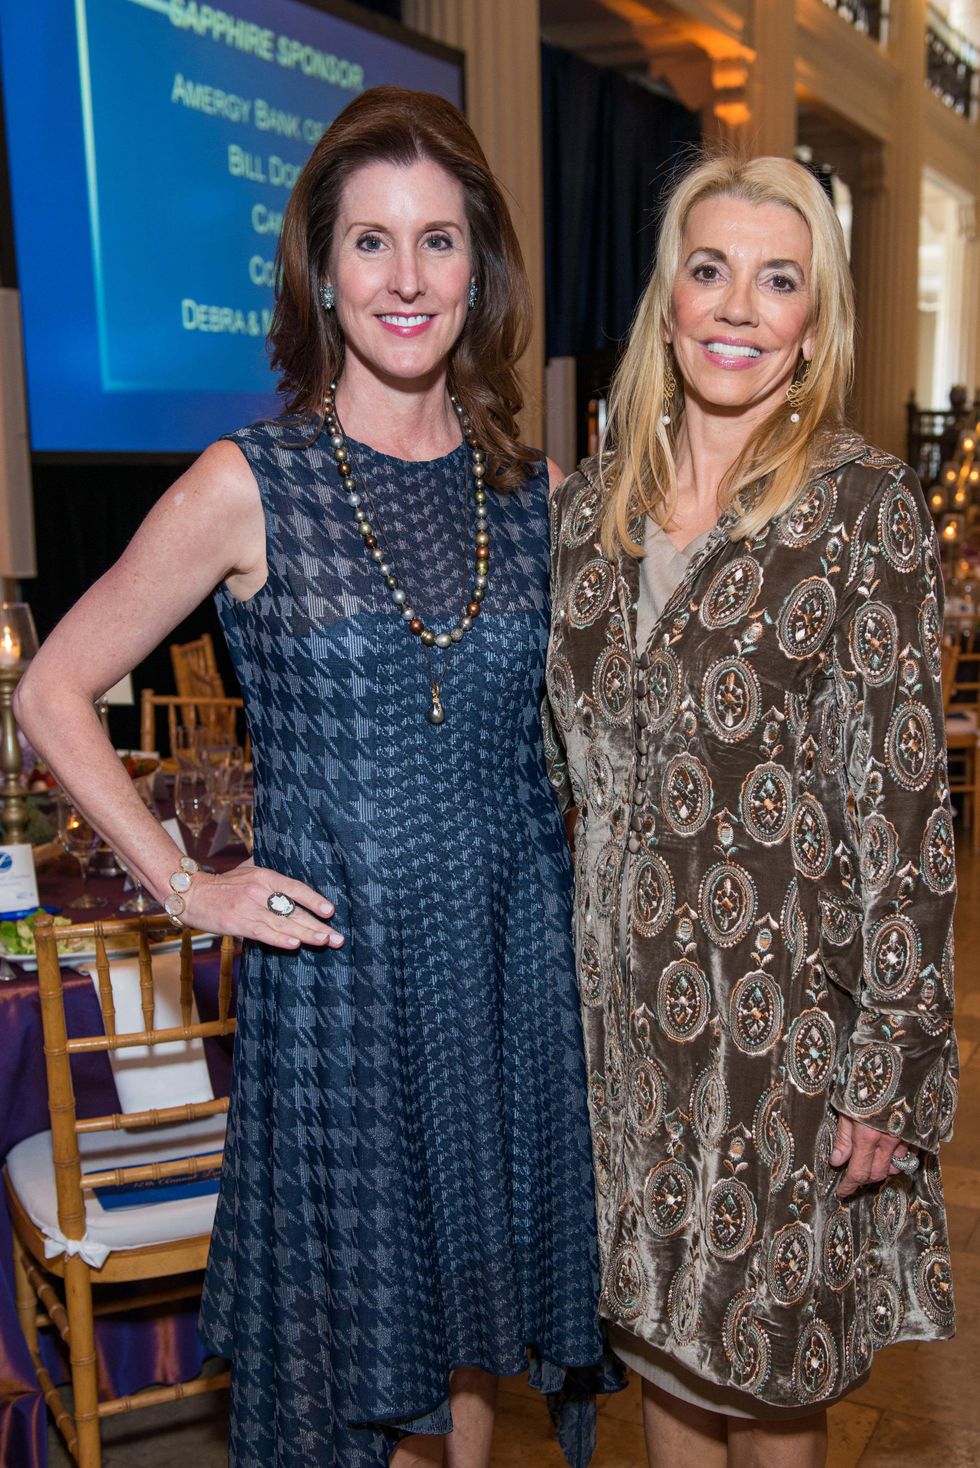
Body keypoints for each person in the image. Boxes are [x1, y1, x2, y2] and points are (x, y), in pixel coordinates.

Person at [16, 86, 617, 1468]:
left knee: (480, 1335)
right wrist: (187, 885)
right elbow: (52, 691)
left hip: (507, 970)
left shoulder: (531, 490)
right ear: (322, 274)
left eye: (440, 242)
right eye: (371, 243)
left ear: (483, 269)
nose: (407, 279)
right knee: (366, 1379)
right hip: (342, 994)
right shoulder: (251, 482)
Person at [545, 154, 958, 1468]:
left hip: (786, 1035)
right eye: (709, 269)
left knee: (772, 1374)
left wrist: (889, 1064)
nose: (738, 306)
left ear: (816, 318)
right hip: (620, 1037)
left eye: (778, 280)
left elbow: (906, 813)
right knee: (667, 1352)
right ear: (667, 299)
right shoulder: (586, 516)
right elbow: (563, 776)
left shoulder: (859, 508)